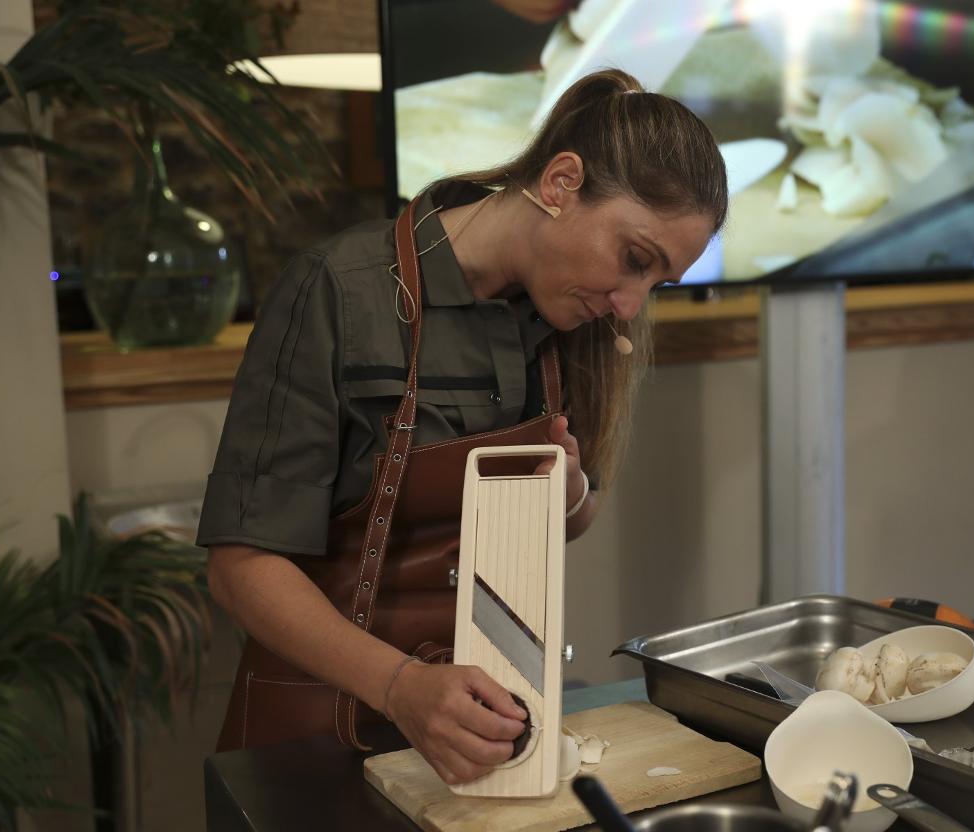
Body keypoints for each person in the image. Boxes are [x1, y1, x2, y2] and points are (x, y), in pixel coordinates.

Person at [197, 68, 727, 786]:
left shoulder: (578, 325)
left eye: (657, 282)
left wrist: (569, 492)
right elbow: (240, 569)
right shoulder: (341, 290)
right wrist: (398, 687)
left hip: (479, 736)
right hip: (320, 741)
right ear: (561, 182)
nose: (632, 304)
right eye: (634, 260)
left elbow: (575, 513)